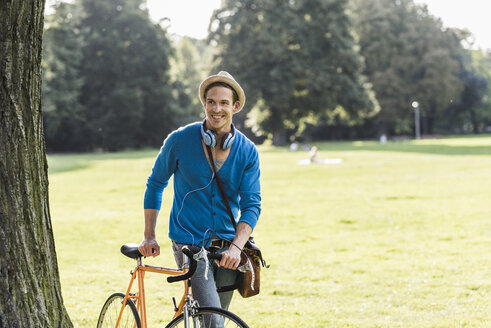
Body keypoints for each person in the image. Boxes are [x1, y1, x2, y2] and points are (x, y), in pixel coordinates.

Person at [138, 71, 261, 311]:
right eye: (211, 102)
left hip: (227, 244)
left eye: (224, 102)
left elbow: (251, 205)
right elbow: (155, 184)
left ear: (235, 106)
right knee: (212, 317)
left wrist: (236, 247)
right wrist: (149, 234)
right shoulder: (179, 140)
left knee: (218, 317)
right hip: (189, 242)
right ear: (204, 104)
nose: (217, 109)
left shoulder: (247, 151)